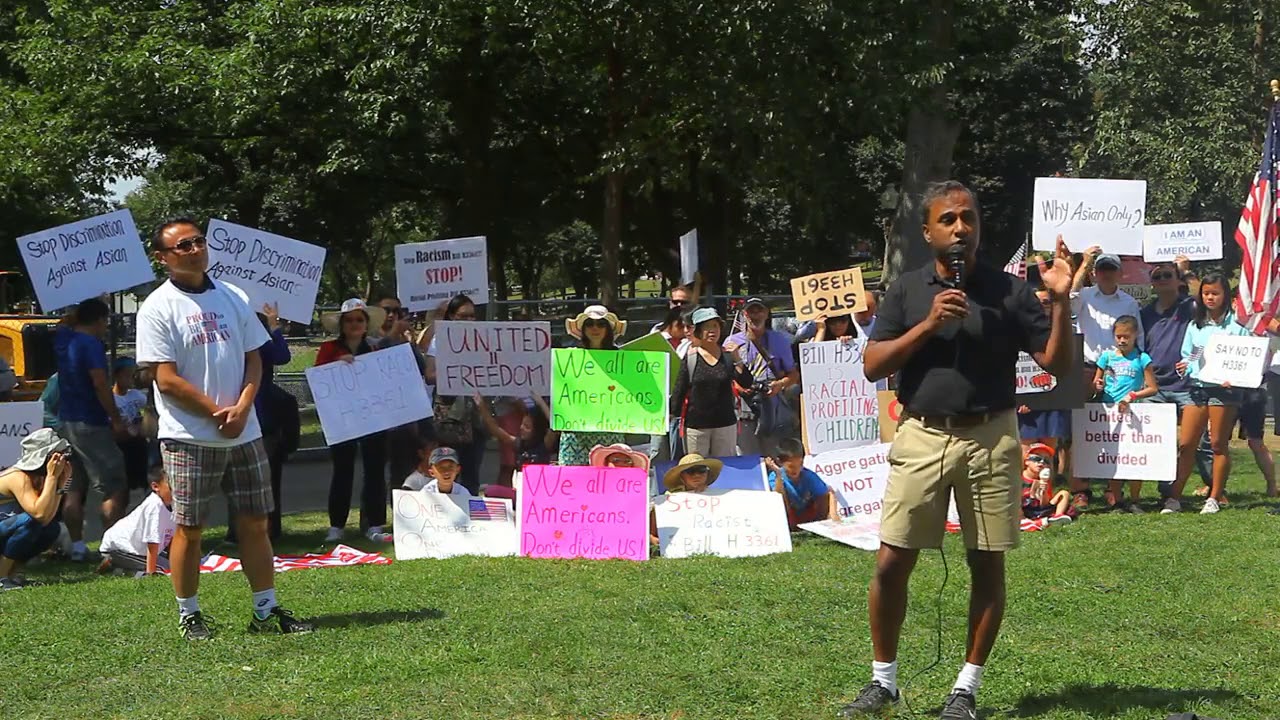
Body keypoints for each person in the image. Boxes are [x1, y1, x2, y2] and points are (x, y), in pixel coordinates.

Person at [840, 181, 1074, 719]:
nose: (960, 229)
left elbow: (1056, 366)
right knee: (891, 561)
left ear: (979, 227)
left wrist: (1061, 302)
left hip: (991, 436)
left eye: (968, 218)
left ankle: (965, 689)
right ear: (927, 232)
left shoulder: (1010, 291)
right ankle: (884, 682)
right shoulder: (906, 290)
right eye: (947, 220)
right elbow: (875, 365)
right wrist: (928, 324)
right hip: (922, 433)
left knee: (986, 565)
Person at [138, 216, 312, 640]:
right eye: (184, 246)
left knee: (256, 523)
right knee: (191, 529)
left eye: (198, 241)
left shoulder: (232, 295)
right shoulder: (157, 307)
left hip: (245, 431)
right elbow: (166, 378)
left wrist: (244, 405)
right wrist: (219, 412)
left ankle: (265, 611)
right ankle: (190, 614)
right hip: (189, 437)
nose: (196, 249)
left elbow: (256, 357)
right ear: (163, 258)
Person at [1166, 273, 1250, 515]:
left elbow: (1246, 360)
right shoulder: (1195, 325)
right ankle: (1174, 497)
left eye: (1215, 293)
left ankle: (1214, 497)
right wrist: (1185, 367)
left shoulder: (1237, 327)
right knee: (1187, 443)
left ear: (1225, 296)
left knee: (1217, 444)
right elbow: (1189, 356)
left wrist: (1235, 377)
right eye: (1206, 293)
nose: (1210, 297)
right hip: (1197, 389)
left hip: (1225, 392)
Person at [55, 296, 128, 561]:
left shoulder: (63, 339)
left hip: (67, 422)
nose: (106, 326)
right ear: (99, 320)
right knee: (114, 485)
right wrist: (116, 418)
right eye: (105, 320)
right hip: (91, 423)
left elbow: (65, 322)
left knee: (74, 487)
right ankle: (113, 548)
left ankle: (76, 547)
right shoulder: (92, 345)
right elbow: (99, 383)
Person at [1068, 249, 1143, 500]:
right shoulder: (1085, 296)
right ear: (1094, 273)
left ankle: (1114, 489)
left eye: (1111, 269)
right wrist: (1085, 261)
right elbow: (1068, 297)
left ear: (1120, 273)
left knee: (1118, 431)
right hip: (1087, 368)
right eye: (1102, 269)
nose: (1107, 274)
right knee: (1081, 431)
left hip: (1120, 371)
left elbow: (1138, 337)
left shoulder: (1129, 303)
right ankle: (1080, 489)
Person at [316, 298, 392, 544]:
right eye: (349, 320)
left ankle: (375, 524)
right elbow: (318, 380)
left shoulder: (375, 350)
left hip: (373, 419)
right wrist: (337, 365)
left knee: (375, 471)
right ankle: (337, 525)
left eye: (359, 320)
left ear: (366, 323)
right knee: (342, 471)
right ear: (342, 324)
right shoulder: (329, 349)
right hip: (342, 420)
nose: (354, 324)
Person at [1140, 259, 1204, 503]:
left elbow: (1206, 296)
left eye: (1168, 275)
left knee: (1188, 444)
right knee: (1158, 443)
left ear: (1178, 281)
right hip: (1153, 388)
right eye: (1157, 276)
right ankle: (1167, 490)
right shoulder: (1144, 313)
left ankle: (1181, 492)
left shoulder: (1189, 307)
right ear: (1152, 284)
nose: (1163, 279)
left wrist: (1187, 270)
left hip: (1186, 386)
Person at [1092, 315, 1157, 511]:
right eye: (1118, 336)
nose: (1122, 340)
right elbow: (1096, 383)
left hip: (1133, 414)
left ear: (1135, 335)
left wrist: (1133, 395)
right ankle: (1116, 499)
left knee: (1134, 457)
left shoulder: (1142, 358)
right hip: (1109, 413)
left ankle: (1135, 500)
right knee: (1114, 458)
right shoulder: (1106, 357)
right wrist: (1097, 385)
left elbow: (1153, 388)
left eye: (1126, 336)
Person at [670, 308, 753, 458]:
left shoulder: (727, 357)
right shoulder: (691, 358)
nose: (712, 331)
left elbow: (746, 382)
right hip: (696, 427)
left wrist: (737, 359)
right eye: (707, 327)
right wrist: (670, 414)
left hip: (725, 425)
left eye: (715, 326)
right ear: (698, 331)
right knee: (697, 469)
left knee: (725, 470)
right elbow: (679, 390)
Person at [425, 294, 486, 492]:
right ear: (451, 316)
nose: (468, 320)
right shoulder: (438, 341)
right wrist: (456, 372)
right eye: (463, 315)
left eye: (472, 316)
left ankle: (470, 516)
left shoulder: (483, 339)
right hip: (449, 416)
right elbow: (430, 375)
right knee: (448, 468)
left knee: (472, 469)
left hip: (476, 413)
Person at [723, 298, 800, 457]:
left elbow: (793, 374)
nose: (755, 315)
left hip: (772, 407)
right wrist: (736, 386)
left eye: (759, 311)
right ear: (744, 314)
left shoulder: (779, 340)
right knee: (747, 459)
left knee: (774, 456)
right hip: (743, 409)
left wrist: (780, 384)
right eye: (751, 311)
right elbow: (723, 375)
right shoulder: (731, 342)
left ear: (766, 314)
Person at [374, 294, 432, 494]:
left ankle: (404, 513)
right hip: (378, 416)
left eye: (396, 311)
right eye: (386, 311)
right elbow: (375, 357)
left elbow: (422, 369)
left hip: (405, 418)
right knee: (374, 472)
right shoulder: (371, 338)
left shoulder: (403, 342)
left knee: (404, 467)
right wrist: (392, 335)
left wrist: (411, 344)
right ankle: (372, 520)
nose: (391, 315)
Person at [0, 429, 71, 590]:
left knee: (51, 528)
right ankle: (1, 577)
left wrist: (60, 486)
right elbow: (38, 514)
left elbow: (47, 517)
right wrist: (53, 477)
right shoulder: (18, 476)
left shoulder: (39, 477)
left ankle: (12, 575)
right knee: (30, 522)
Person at [557, 305, 629, 465]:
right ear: (583, 329)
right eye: (589, 324)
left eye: (601, 324)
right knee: (574, 482)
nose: (595, 328)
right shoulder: (570, 358)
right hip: (576, 432)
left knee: (609, 480)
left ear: (609, 329)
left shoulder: (623, 360)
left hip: (610, 430)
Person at [97, 466, 174, 576]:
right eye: (171, 485)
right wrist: (150, 573)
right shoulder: (154, 507)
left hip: (139, 552)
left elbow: (173, 538)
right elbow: (152, 542)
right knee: (161, 571)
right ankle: (114, 566)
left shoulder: (175, 505)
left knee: (173, 567)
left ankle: (122, 566)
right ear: (156, 486)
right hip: (119, 549)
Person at [765, 438, 837, 528]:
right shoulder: (775, 476)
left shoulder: (808, 475)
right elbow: (778, 501)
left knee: (823, 496)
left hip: (808, 513)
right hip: (789, 514)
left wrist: (831, 516)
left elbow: (828, 493)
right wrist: (778, 475)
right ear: (779, 462)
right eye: (791, 466)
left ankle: (818, 524)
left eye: (800, 464)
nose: (796, 470)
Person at [474, 392, 556, 470]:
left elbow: (554, 426)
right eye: (522, 424)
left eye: (527, 427)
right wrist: (481, 405)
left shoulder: (544, 446)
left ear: (536, 430)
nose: (521, 428)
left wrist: (541, 403)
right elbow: (496, 430)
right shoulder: (519, 444)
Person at [112, 356, 151, 492]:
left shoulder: (136, 395)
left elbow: (149, 409)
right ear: (117, 376)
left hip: (138, 442)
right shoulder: (112, 399)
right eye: (127, 375)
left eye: (133, 375)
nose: (131, 379)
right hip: (122, 444)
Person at [1019, 443, 1074, 525]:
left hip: (1038, 508)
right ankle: (1024, 520)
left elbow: (1044, 503)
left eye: (1046, 460)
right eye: (1037, 458)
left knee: (1064, 493)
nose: (1041, 462)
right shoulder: (1019, 478)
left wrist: (1044, 491)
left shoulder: (1043, 479)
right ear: (1027, 461)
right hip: (1023, 508)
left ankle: (1057, 516)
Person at [402, 446, 471, 497]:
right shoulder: (427, 492)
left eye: (450, 467)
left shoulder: (463, 493)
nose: (446, 472)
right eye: (441, 468)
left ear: (458, 470)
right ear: (432, 472)